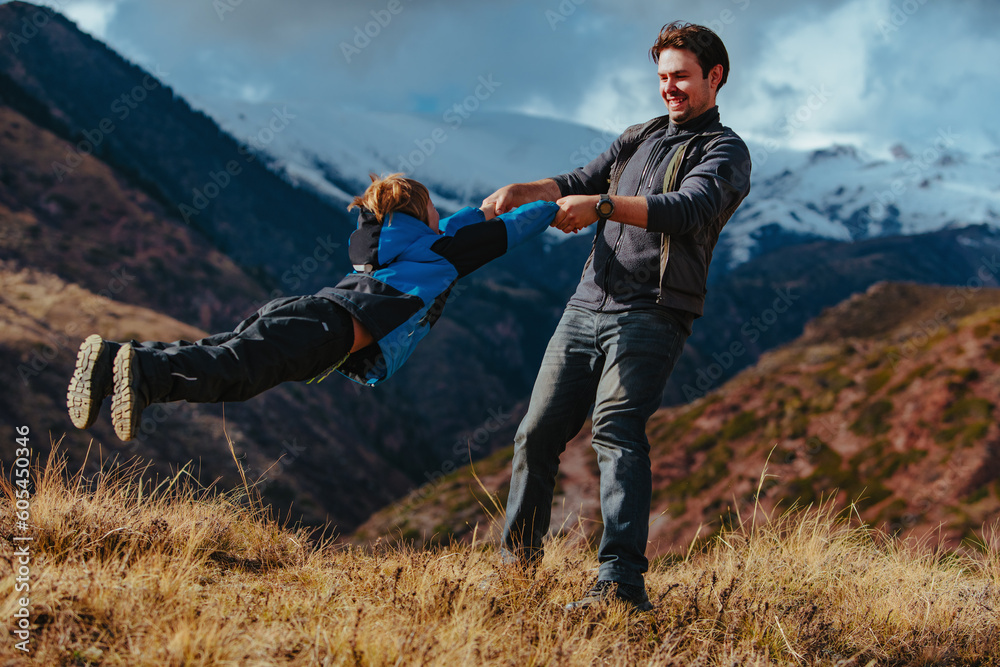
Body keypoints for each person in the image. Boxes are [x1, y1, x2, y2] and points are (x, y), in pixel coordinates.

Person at [482, 21, 752, 611]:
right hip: (587, 304)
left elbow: (688, 209)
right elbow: (582, 179)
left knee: (616, 430)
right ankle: (515, 574)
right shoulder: (640, 135)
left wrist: (602, 206)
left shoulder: (725, 150)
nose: (669, 88)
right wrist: (527, 189)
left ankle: (620, 586)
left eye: (680, 76)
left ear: (715, 76)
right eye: (661, 77)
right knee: (536, 434)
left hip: (654, 311)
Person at [67, 173, 559, 442]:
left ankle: (111, 359)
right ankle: (145, 374)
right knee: (238, 372)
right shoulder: (437, 254)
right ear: (420, 214)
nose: (441, 215)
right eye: (434, 208)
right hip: (324, 327)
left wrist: (495, 202)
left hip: (309, 311)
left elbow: (459, 226)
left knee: (222, 351)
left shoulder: (398, 244)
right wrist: (560, 205)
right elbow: (504, 234)